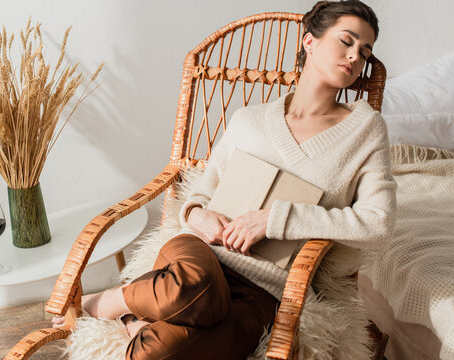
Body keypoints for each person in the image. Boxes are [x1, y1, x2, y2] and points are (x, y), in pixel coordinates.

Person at [53, 1, 397, 359]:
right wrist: (197, 214)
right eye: (347, 41)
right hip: (198, 259)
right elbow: (200, 191)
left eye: (365, 50)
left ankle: (133, 322)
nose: (355, 56)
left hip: (264, 289)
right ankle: (107, 300)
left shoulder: (365, 129)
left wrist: (275, 220)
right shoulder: (250, 120)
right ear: (309, 42)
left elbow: (379, 222)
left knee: (158, 354)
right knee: (196, 287)